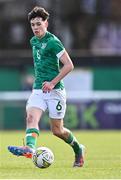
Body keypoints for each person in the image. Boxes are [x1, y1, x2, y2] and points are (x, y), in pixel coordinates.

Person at [8, 6, 85, 167]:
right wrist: (37, 80)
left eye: (38, 24)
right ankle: (29, 148)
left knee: (57, 131)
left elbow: (69, 65)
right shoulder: (33, 41)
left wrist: (52, 82)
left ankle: (78, 149)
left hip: (55, 91)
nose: (35, 27)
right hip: (38, 89)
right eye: (32, 25)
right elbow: (41, 63)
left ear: (46, 23)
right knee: (31, 118)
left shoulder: (53, 42)